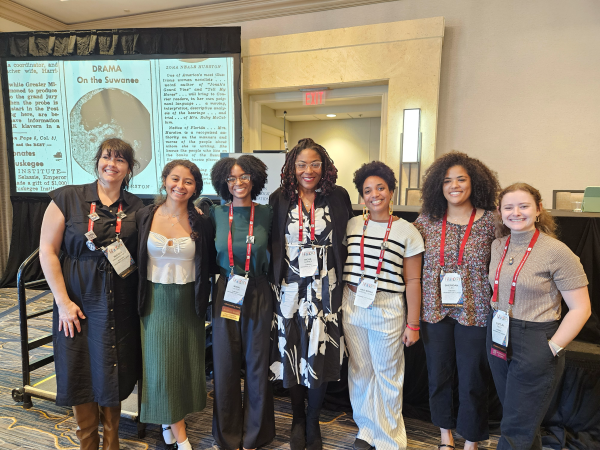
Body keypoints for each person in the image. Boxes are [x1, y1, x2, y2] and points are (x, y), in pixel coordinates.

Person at [39, 138, 143, 450]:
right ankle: (88, 443)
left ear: (129, 168)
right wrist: (63, 302)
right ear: (97, 161)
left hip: (119, 303)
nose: (111, 164)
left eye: (120, 160)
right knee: (79, 368)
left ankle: (112, 442)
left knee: (112, 368)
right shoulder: (68, 198)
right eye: (106, 157)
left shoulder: (136, 207)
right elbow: (47, 250)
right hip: (76, 301)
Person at [487, 183, 591, 450]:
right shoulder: (499, 245)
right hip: (498, 334)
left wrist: (552, 348)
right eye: (508, 207)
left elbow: (581, 309)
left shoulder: (557, 251)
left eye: (524, 206)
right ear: (500, 212)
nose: (516, 212)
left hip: (535, 339)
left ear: (538, 209)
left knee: (515, 427)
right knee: (518, 419)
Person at [269, 138, 354, 450]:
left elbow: (348, 237)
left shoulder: (337, 196)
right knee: (292, 352)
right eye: (301, 164)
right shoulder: (280, 198)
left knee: (319, 352)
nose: (308, 170)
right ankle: (296, 419)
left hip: (326, 289)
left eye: (315, 164)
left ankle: (314, 419)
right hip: (290, 289)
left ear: (325, 167)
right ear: (292, 167)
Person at [413, 151, 500, 450]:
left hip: (475, 310)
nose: (454, 185)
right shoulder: (426, 221)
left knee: (473, 378)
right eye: (447, 180)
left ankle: (471, 440)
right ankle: (445, 437)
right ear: (438, 185)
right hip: (434, 311)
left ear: (474, 183)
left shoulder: (492, 221)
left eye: (461, 179)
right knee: (438, 376)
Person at [342, 161, 424, 450]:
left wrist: (413, 324)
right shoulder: (353, 224)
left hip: (387, 306)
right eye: (367, 190)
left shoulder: (407, 231)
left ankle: (389, 440)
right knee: (360, 370)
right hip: (352, 303)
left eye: (380, 188)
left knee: (387, 374)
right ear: (361, 196)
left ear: (391, 191)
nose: (374, 194)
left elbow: (413, 281)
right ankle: (366, 428)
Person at [136, 160, 215, 450]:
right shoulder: (145, 215)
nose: (180, 186)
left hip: (188, 303)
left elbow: (208, 261)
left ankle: (169, 420)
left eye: (188, 181)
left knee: (183, 365)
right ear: (164, 180)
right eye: (175, 179)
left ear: (196, 187)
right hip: (155, 300)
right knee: (160, 366)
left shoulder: (202, 221)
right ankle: (180, 432)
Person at [209, 155, 275, 450]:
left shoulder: (268, 213)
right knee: (225, 363)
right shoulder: (215, 214)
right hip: (227, 288)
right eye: (232, 178)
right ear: (224, 182)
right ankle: (227, 435)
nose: (238, 183)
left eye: (244, 176)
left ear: (255, 179)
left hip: (258, 289)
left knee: (257, 364)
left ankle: (255, 435)